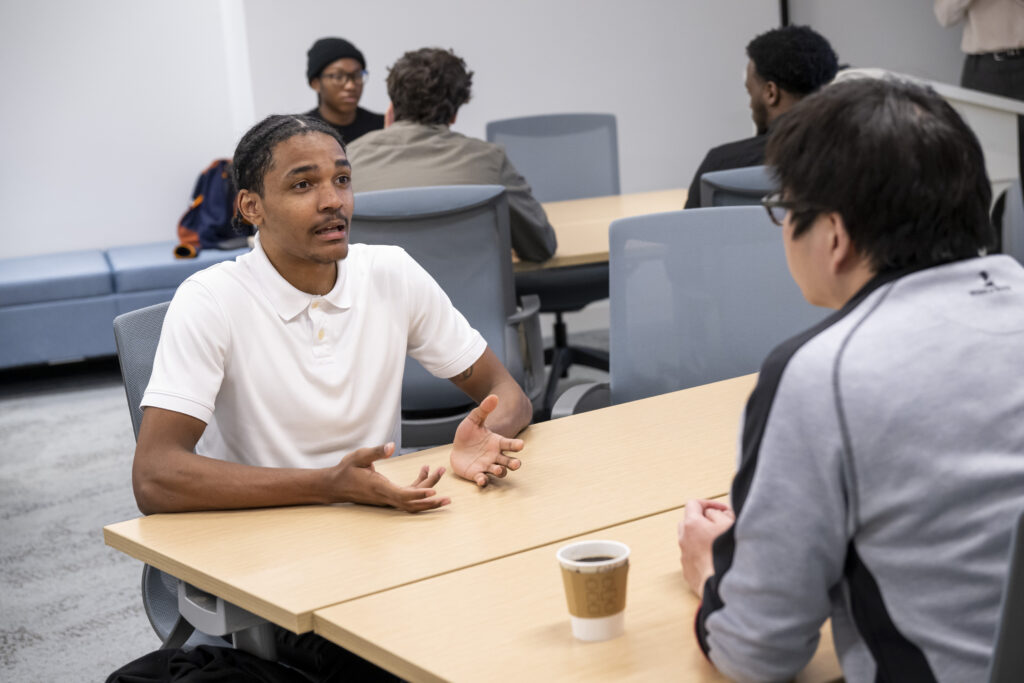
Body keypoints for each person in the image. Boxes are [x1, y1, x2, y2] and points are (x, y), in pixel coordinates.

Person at [677, 78, 1024, 681]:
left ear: (834, 236)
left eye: (784, 210)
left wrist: (712, 571)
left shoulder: (821, 374)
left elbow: (756, 653)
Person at [133, 114, 534, 518]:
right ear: (252, 207)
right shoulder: (210, 300)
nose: (333, 201)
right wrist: (328, 486)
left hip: (378, 522)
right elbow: (155, 476)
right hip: (256, 538)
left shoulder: (390, 271)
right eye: (303, 185)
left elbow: (506, 391)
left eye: (341, 180)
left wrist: (484, 435)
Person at [346, 48, 557, 262]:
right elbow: (540, 246)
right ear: (454, 114)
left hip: (379, 295)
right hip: (469, 296)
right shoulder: (488, 160)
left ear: (391, 107)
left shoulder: (348, 161)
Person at [684, 25, 838, 209]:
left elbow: (685, 236)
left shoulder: (721, 163)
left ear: (771, 93)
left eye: (750, 93)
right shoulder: (864, 156)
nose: (750, 105)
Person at [304, 37, 384, 143]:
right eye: (338, 76)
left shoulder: (382, 127)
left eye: (357, 75)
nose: (350, 86)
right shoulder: (301, 131)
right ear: (315, 83)